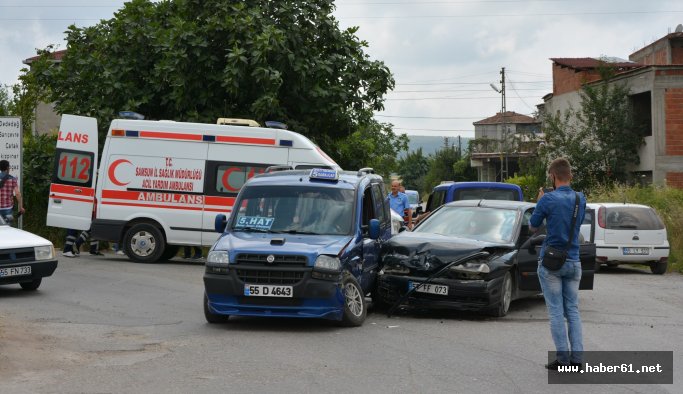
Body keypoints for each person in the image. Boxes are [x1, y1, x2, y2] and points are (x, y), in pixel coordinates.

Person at [529, 158, 586, 371]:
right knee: (572, 309)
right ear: (570, 176)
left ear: (553, 177)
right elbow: (577, 226)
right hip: (574, 261)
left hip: (552, 262)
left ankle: (563, 360)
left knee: (555, 311)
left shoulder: (548, 199)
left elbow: (533, 227)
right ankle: (577, 360)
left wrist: (540, 202)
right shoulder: (581, 199)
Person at [0, 160, 24, 225]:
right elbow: (17, 193)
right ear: (7, 168)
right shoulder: (12, 179)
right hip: (7, 208)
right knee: (7, 229)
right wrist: (21, 207)